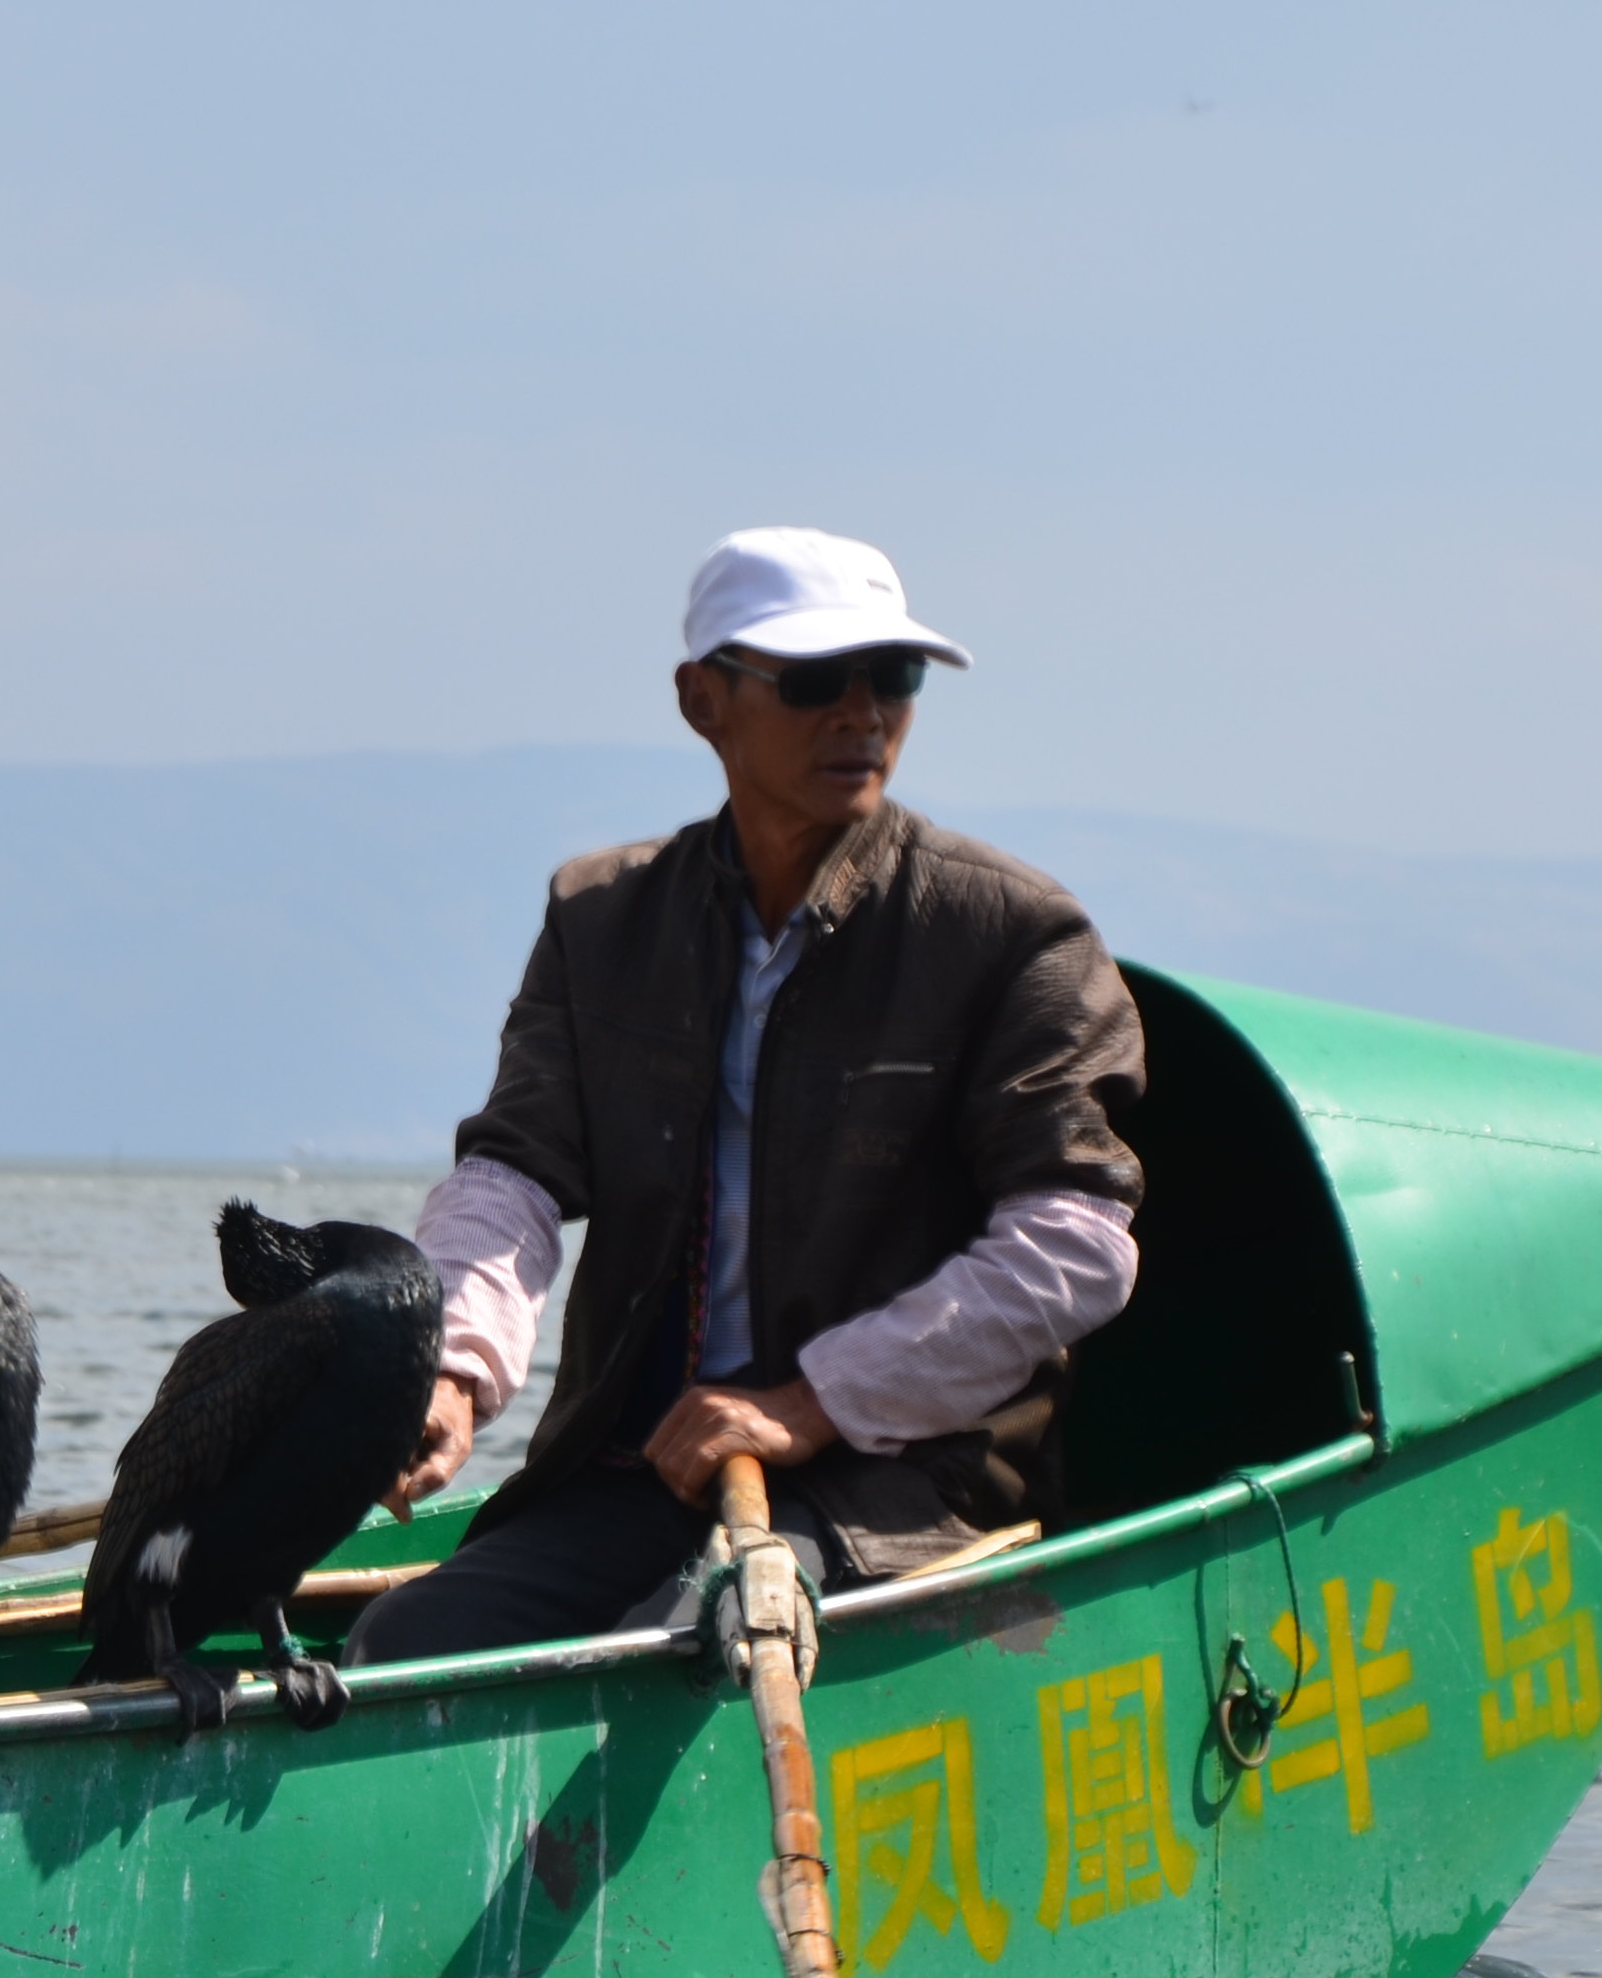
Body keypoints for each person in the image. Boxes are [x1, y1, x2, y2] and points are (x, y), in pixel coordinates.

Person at [346, 529, 1145, 1664]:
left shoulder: (1007, 933)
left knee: (681, 1656)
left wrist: (804, 1405)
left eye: (893, 680)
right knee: (406, 1644)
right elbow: (511, 1175)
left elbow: (1073, 1248)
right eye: (815, 681)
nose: (861, 714)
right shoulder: (600, 920)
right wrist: (454, 1371)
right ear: (700, 701)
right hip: (637, 1469)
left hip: (893, 1487)